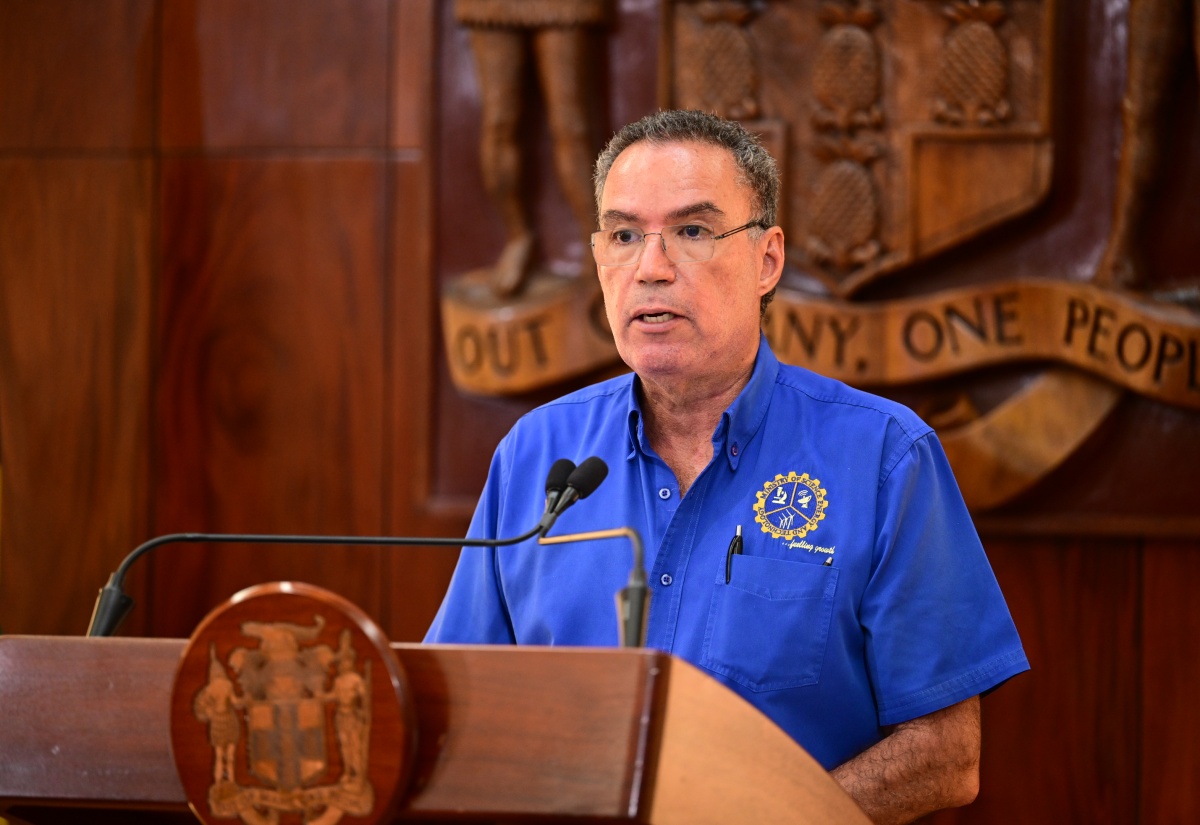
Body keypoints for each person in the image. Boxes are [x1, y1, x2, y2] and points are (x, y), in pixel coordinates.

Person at [426, 109, 1029, 823]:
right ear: (598, 258)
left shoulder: (885, 457)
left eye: (692, 231)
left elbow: (945, 754)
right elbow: (454, 708)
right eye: (624, 235)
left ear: (767, 260)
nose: (651, 267)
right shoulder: (537, 454)